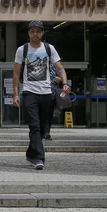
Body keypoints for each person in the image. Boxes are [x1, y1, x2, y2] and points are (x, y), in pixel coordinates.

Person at [13, 20, 69, 170]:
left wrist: (65, 83)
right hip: (30, 92)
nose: (35, 34)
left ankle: (31, 154)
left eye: (38, 31)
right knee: (34, 126)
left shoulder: (49, 49)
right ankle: (38, 158)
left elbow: (60, 68)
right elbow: (16, 72)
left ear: (42, 33)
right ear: (28, 33)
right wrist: (16, 94)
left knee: (43, 128)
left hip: (47, 93)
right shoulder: (22, 50)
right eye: (32, 31)